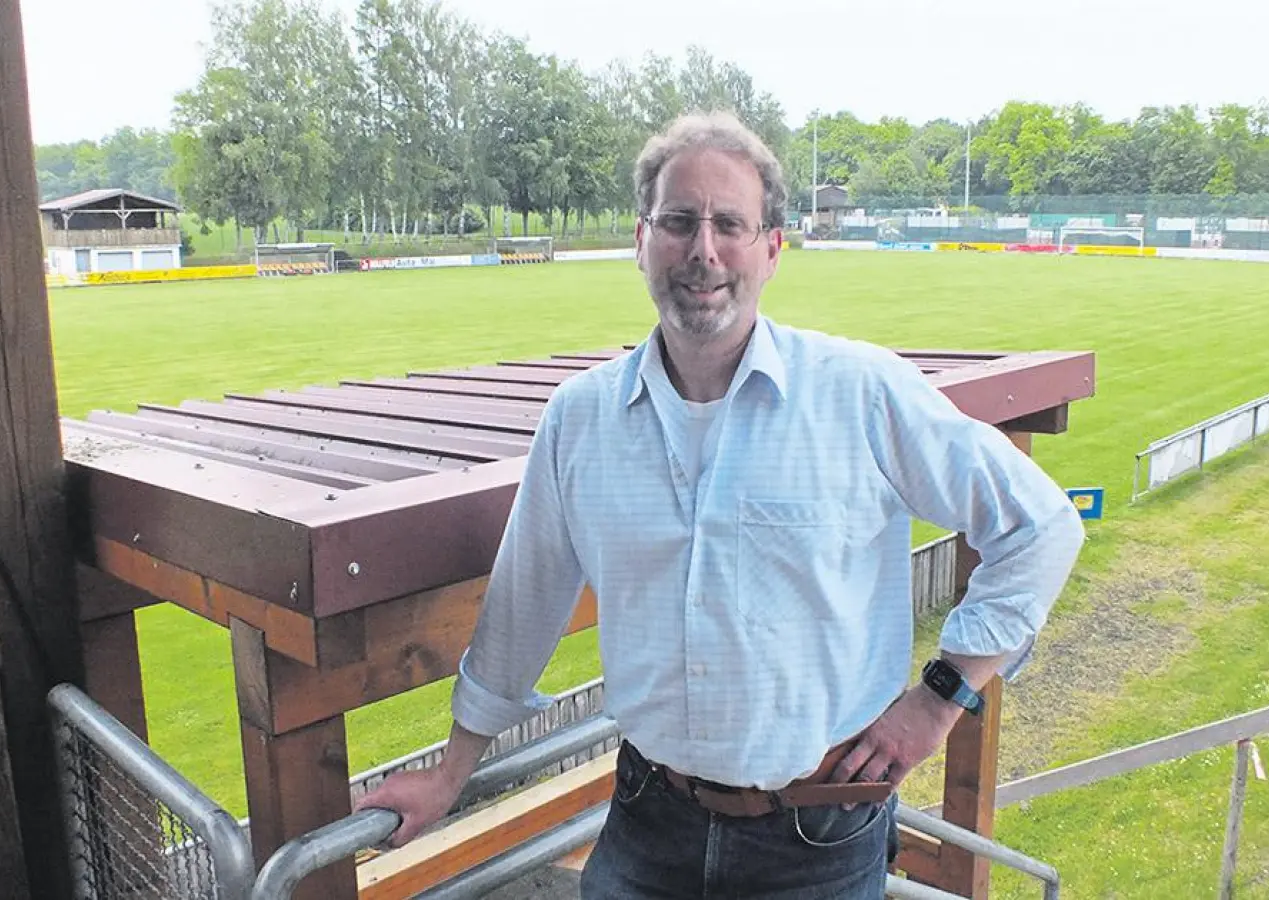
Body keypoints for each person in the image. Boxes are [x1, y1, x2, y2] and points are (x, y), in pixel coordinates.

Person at [355, 111, 1086, 898]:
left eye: (729, 224)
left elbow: (1039, 526)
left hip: (821, 838)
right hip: (646, 823)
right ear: (642, 240)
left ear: (772, 248)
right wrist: (451, 774)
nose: (703, 251)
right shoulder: (581, 420)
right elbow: (522, 609)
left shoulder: (860, 394)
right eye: (678, 221)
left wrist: (939, 700)